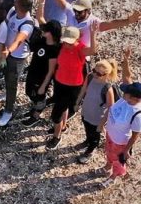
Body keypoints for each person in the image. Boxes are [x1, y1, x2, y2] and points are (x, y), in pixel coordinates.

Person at [46, 23, 99, 150]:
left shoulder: (80, 49)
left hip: (73, 86)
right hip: (59, 82)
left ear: (77, 39)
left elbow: (93, 50)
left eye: (70, 42)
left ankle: (56, 136)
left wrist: (92, 33)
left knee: (55, 114)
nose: (67, 44)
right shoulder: (62, 46)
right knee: (61, 106)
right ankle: (62, 127)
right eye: (66, 41)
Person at [98, 51, 141, 187]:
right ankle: (106, 166)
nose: (124, 93)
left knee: (118, 161)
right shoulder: (126, 98)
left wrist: (127, 150)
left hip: (121, 143)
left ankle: (114, 176)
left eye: (127, 93)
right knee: (109, 154)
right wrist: (126, 59)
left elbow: (135, 135)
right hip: (111, 135)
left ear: (135, 98)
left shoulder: (137, 114)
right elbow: (127, 77)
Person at [21, 0, 62, 127]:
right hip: (33, 72)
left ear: (52, 34)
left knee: (39, 97)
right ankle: (34, 108)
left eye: (46, 30)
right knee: (29, 92)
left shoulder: (54, 50)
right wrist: (41, 2)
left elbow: (50, 71)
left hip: (41, 77)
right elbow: (40, 18)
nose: (43, 31)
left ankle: (36, 115)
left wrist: (44, 85)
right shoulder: (44, 40)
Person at [0, 0, 36, 127]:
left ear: (21, 6)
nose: (14, 0)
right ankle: (6, 94)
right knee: (5, 74)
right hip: (6, 52)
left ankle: (8, 111)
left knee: (12, 82)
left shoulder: (28, 24)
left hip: (17, 57)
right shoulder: (13, 11)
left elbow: (19, 40)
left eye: (17, 0)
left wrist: (9, 50)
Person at [76, 59, 120, 164]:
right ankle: (88, 141)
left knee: (95, 135)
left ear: (106, 75)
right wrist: (77, 103)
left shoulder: (107, 88)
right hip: (86, 111)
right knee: (87, 129)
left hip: (97, 118)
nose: (95, 74)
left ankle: (90, 150)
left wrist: (102, 123)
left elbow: (111, 108)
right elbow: (83, 89)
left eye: (99, 73)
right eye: (94, 70)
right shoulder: (90, 76)